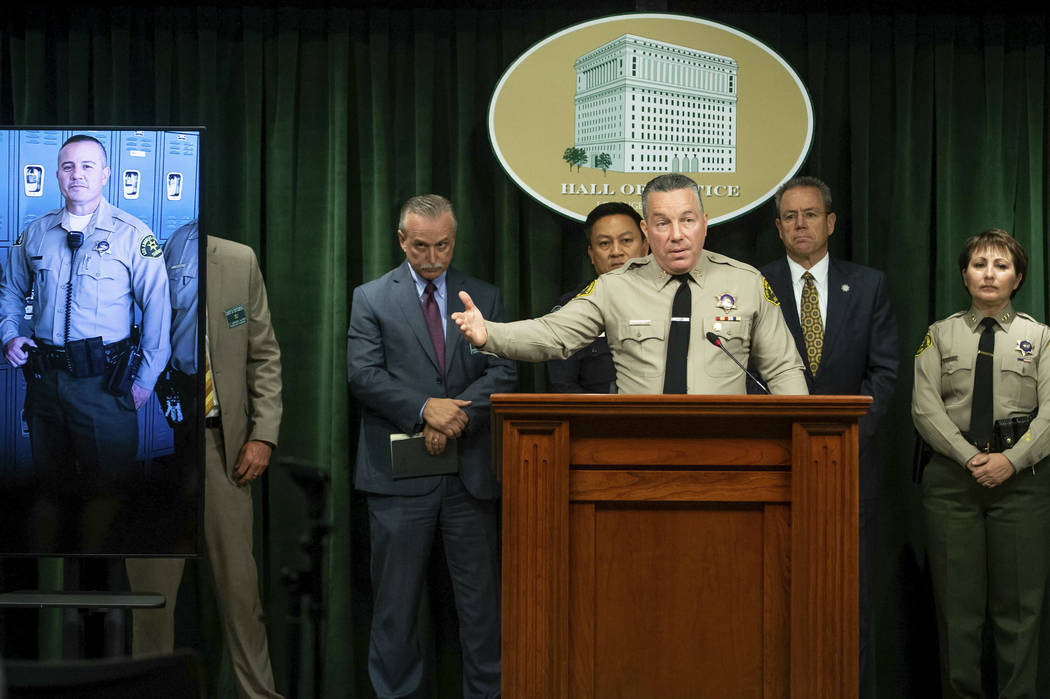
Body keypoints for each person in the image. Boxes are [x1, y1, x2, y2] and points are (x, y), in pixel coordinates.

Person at [347, 194, 517, 698]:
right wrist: (426, 408)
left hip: (470, 477)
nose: (432, 257)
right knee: (395, 612)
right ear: (402, 240)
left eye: (442, 245)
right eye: (420, 246)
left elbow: (505, 371)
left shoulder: (483, 294)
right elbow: (362, 374)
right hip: (399, 478)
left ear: (453, 238)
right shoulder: (372, 297)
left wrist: (453, 413)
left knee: (481, 611)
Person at [452, 173, 807, 395]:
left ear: (705, 222)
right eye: (663, 223)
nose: (677, 235)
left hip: (728, 449)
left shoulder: (747, 282)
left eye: (687, 220)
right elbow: (554, 336)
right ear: (646, 229)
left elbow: (783, 369)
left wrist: (800, 438)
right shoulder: (614, 287)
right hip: (637, 447)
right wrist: (489, 335)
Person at [125, 221, 284, 699]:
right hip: (153, 447)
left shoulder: (238, 260)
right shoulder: (134, 255)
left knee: (241, 594)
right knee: (151, 601)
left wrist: (264, 436)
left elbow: (264, 357)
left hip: (222, 447)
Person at [754, 176, 898, 695]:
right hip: (776, 464)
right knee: (775, 593)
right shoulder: (756, 283)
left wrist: (844, 442)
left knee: (846, 597)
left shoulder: (869, 285)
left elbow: (883, 374)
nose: (800, 224)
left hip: (851, 468)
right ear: (777, 227)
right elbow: (746, 374)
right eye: (790, 216)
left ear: (830, 222)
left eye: (810, 214)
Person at [0, 134, 170, 551]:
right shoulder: (35, 234)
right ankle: (54, 589)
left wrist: (145, 379)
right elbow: (10, 290)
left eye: (88, 166)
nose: (77, 175)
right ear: (57, 174)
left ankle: (101, 593)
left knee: (107, 494)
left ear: (106, 174)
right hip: (45, 384)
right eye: (68, 166)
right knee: (49, 490)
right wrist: (9, 334)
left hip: (104, 386)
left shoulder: (134, 235)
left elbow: (158, 312)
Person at [912, 229, 1050, 698]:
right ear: (964, 274)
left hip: (1022, 483)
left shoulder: (1041, 337)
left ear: (1018, 278)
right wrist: (972, 457)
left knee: (1020, 610)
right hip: (953, 480)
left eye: (1001, 265)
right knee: (958, 610)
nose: (989, 273)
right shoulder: (937, 335)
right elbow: (924, 408)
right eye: (979, 264)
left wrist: (1011, 461)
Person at [546, 202, 648, 393]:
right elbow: (562, 386)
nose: (616, 252)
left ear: (645, 247)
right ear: (591, 254)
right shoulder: (572, 307)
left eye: (626, 240)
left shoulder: (673, 299)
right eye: (604, 243)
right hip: (594, 419)